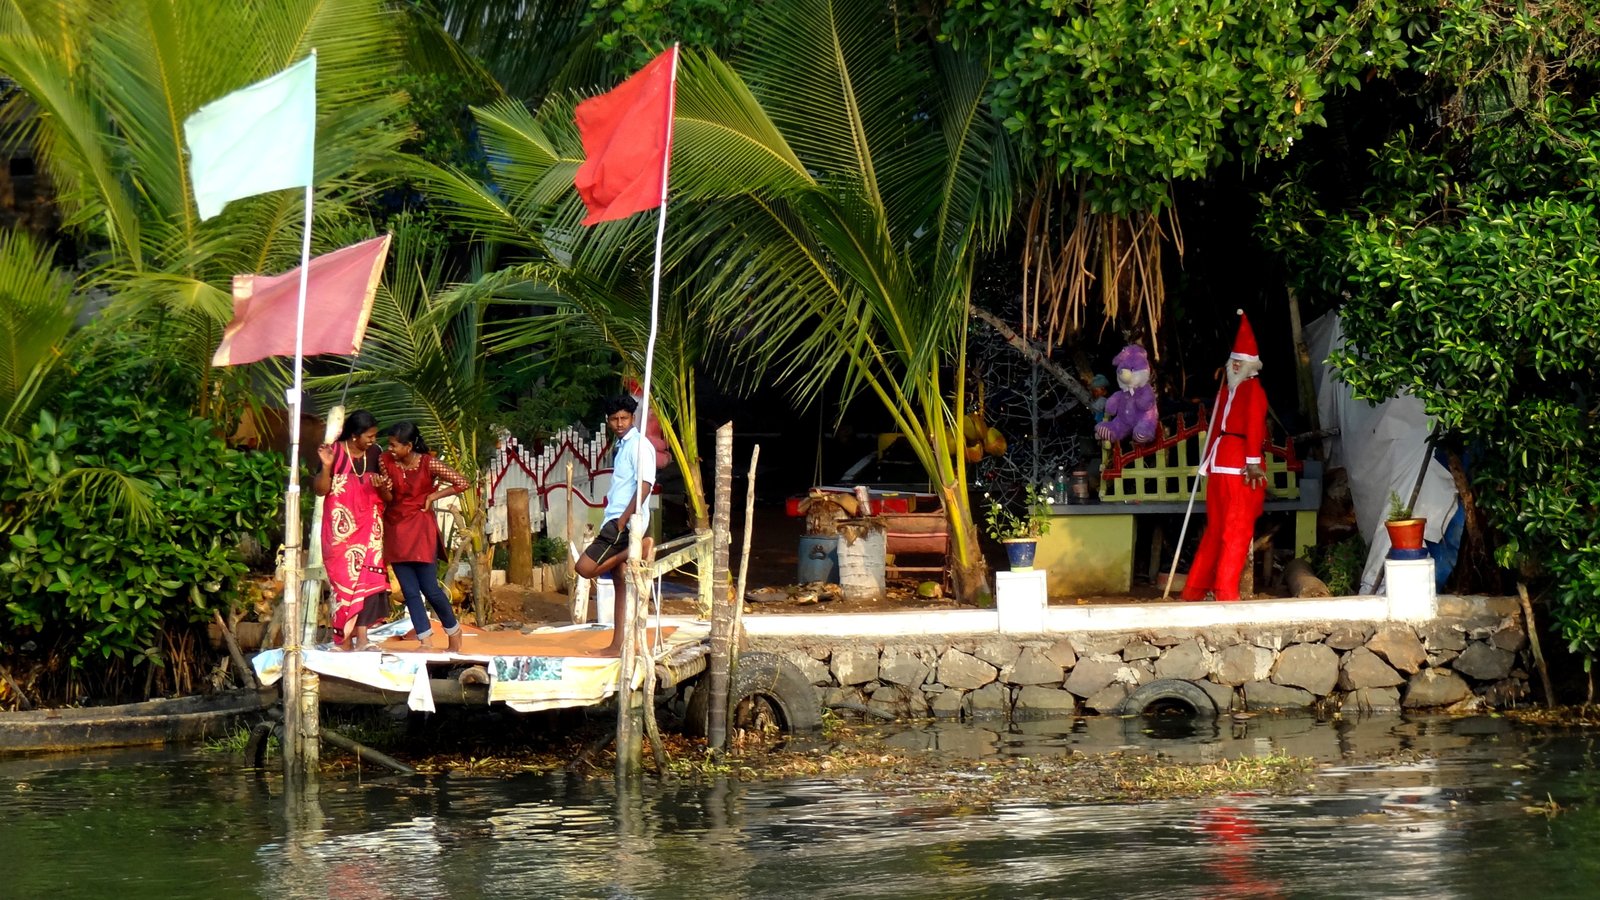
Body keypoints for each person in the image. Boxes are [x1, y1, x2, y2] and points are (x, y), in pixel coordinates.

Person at [1181, 311, 1268, 602]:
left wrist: (1251, 461)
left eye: (1239, 361)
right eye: (1234, 361)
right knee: (1230, 531)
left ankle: (1199, 589)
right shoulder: (1232, 392)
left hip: (1231, 463)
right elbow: (1218, 427)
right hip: (1231, 468)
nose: (1234, 365)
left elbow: (1253, 427)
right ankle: (1223, 592)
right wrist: (1250, 463)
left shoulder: (1246, 390)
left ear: (1249, 365)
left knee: (1224, 531)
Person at [574, 394, 657, 656]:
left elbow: (645, 484)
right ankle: (617, 644)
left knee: (585, 568)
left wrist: (624, 520)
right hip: (617, 517)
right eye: (614, 419)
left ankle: (640, 547)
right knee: (620, 581)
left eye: (624, 418)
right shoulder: (622, 444)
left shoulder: (639, 445)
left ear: (633, 418)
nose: (619, 423)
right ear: (608, 421)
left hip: (625, 521)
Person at [380, 421, 470, 653]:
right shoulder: (385, 461)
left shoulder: (427, 463)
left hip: (421, 528)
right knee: (409, 591)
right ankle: (425, 641)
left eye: (394, 445)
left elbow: (462, 482)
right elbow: (387, 496)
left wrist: (433, 496)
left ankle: (453, 631)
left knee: (430, 588)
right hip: (395, 528)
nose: (390, 449)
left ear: (408, 446)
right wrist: (383, 488)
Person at [313, 409, 393, 649]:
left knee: (368, 581)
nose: (373, 440)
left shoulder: (377, 453)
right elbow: (320, 490)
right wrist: (327, 466)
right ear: (355, 435)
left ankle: (364, 639)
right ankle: (344, 640)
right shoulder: (333, 451)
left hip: (370, 525)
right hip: (340, 531)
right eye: (369, 436)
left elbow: (388, 495)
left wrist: (382, 487)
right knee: (343, 584)